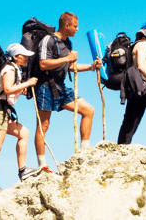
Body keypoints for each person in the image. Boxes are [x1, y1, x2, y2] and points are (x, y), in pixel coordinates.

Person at [34, 12, 102, 172]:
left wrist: (92, 67)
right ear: (66, 25)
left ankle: (85, 151)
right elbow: (43, 64)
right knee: (43, 125)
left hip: (61, 86)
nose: (77, 29)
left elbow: (70, 67)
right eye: (75, 26)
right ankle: (42, 166)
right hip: (45, 86)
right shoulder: (48, 40)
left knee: (88, 111)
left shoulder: (68, 44)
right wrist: (67, 59)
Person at [0, 44, 39, 196]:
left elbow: (6, 90)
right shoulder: (9, 69)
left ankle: (23, 171)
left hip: (0, 110)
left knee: (24, 133)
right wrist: (28, 83)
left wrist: (22, 89)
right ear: (16, 56)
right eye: (24, 55)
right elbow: (7, 89)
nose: (27, 57)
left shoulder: (13, 68)